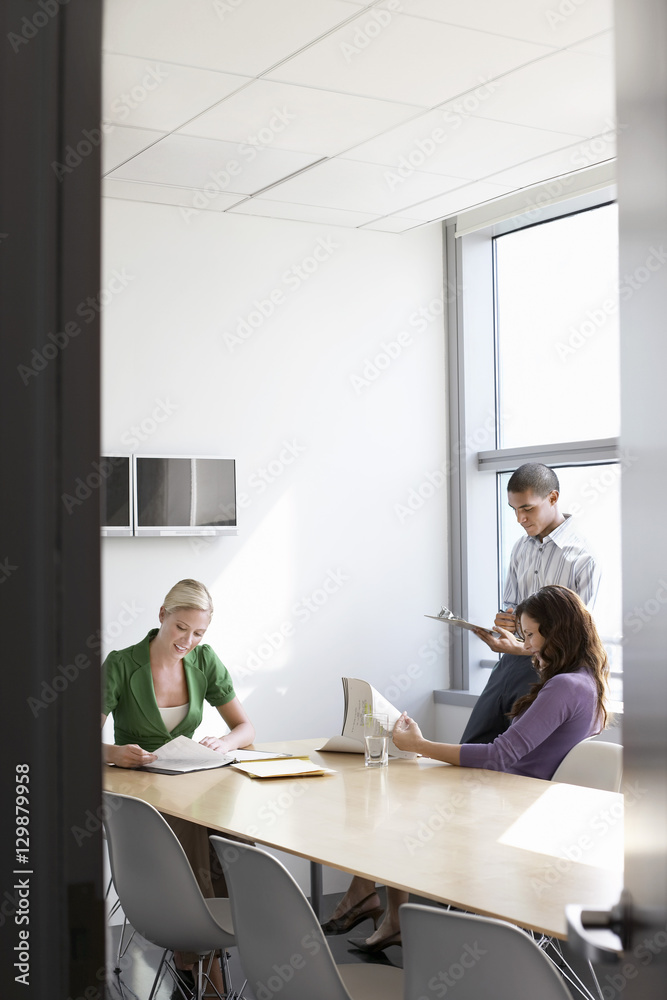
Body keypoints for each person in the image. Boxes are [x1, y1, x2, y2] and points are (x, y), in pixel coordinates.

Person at [322, 464, 601, 952]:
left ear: (553, 498)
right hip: (522, 675)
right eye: (512, 511)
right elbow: (521, 623)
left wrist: (422, 743)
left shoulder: (581, 570)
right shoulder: (523, 554)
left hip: (529, 732)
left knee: (430, 788)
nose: (520, 519)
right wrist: (508, 632)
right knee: (438, 774)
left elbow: (500, 754)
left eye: (528, 509)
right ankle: (383, 904)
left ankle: (394, 907)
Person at [101, 578, 255, 990]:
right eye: (181, 628)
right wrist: (115, 753)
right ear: (162, 616)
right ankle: (204, 961)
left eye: (199, 632)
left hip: (190, 781)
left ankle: (234, 937)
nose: (188, 640)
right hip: (136, 792)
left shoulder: (204, 661)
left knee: (236, 834)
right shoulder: (121, 664)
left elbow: (245, 728)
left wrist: (225, 740)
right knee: (190, 835)